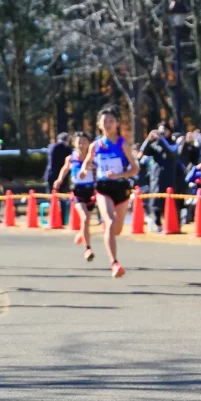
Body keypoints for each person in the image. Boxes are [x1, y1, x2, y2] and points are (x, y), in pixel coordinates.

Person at [82, 106, 139, 277]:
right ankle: (114, 263)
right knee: (110, 221)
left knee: (117, 229)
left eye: (111, 121)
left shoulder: (123, 144)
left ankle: (108, 237)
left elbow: (135, 169)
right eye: (104, 121)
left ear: (117, 123)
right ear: (99, 124)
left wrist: (119, 175)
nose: (107, 124)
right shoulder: (95, 145)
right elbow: (86, 162)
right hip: (103, 188)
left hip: (121, 188)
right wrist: (84, 170)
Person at [54, 131, 97, 261]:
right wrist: (59, 179)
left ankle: (81, 233)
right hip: (77, 191)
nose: (82, 144)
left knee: (87, 219)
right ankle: (88, 248)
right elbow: (65, 169)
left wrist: (93, 168)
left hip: (91, 190)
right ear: (74, 143)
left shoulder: (92, 158)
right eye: (79, 141)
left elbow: (100, 169)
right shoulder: (71, 158)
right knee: (84, 218)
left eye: (84, 141)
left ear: (88, 143)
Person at [138, 121, 177, 232]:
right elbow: (142, 152)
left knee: (169, 201)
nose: (162, 132)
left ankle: (170, 223)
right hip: (156, 177)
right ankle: (157, 223)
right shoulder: (154, 144)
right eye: (160, 130)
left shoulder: (173, 143)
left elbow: (171, 151)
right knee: (155, 202)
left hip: (169, 177)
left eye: (165, 130)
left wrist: (162, 139)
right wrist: (148, 139)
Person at [45, 132, 72, 224]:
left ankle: (53, 216)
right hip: (62, 176)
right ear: (66, 139)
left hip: (50, 175)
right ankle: (63, 219)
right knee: (63, 197)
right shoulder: (67, 149)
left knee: (51, 197)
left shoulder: (51, 147)